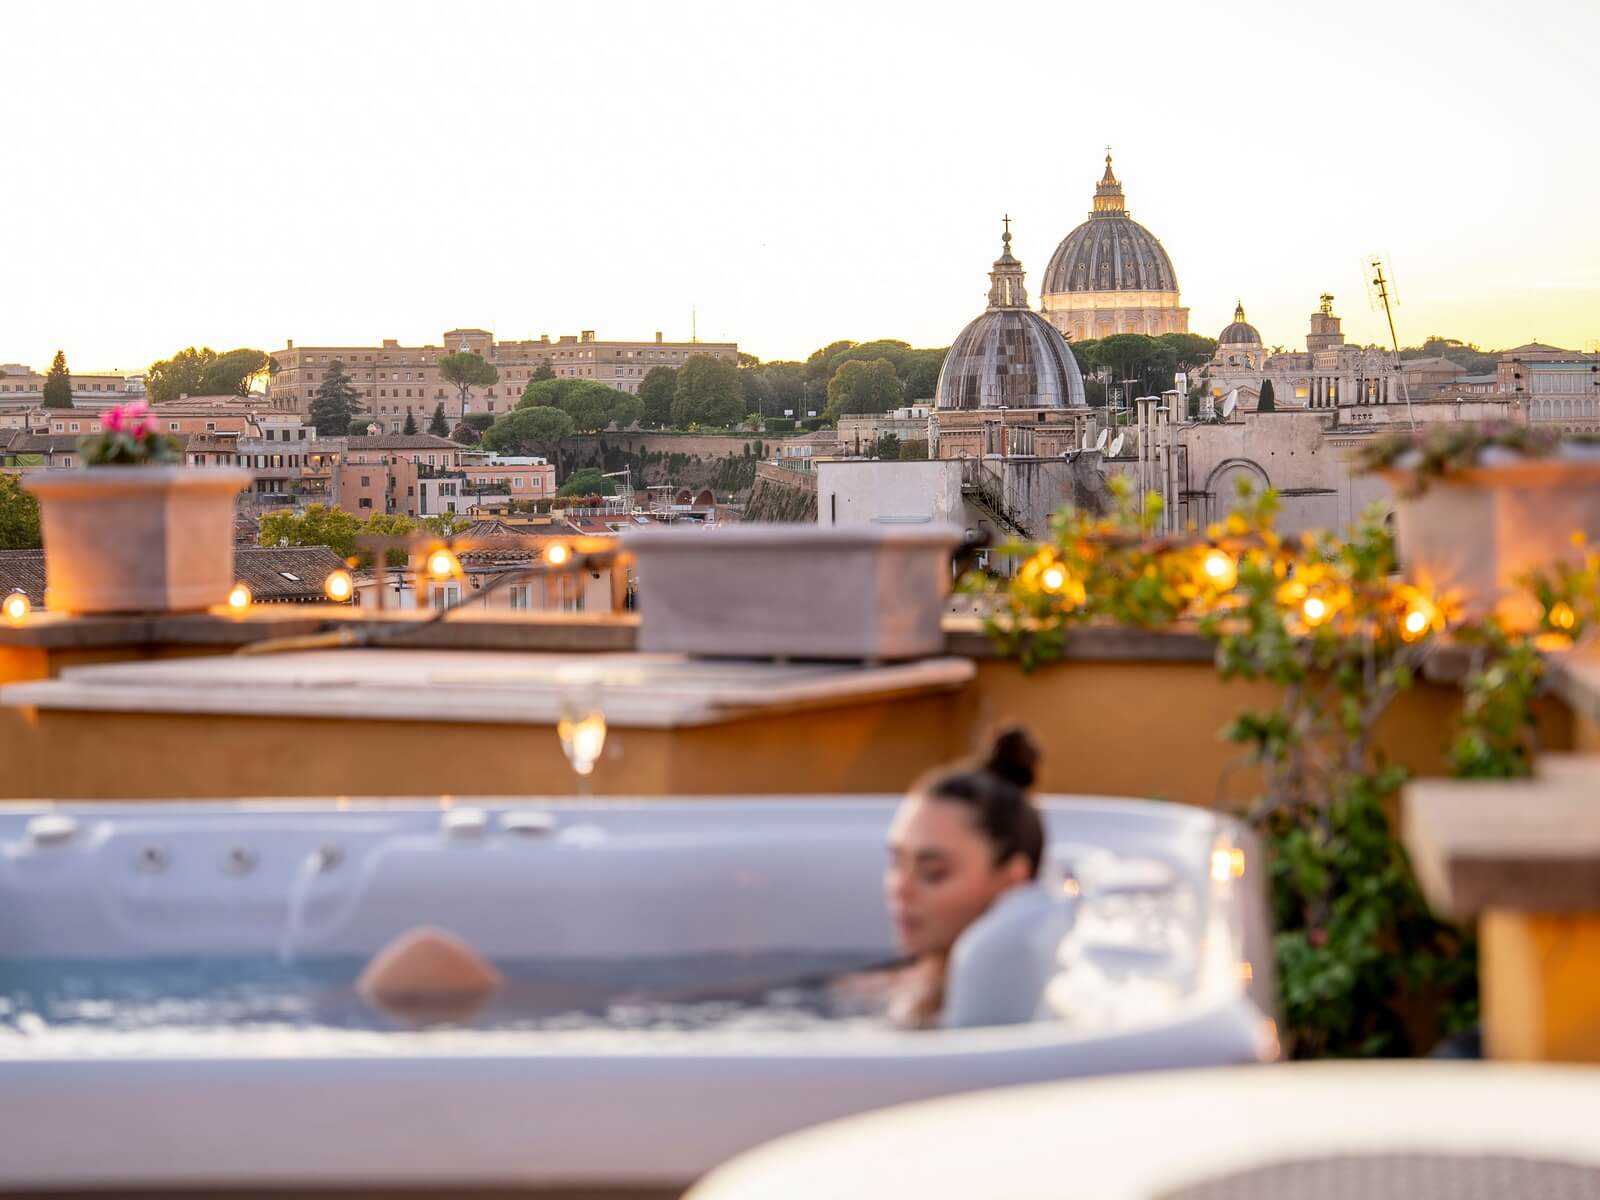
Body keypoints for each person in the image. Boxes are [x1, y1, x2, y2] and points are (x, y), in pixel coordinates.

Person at [852, 724, 1046, 1028]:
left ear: (1012, 881)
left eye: (933, 873)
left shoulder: (1032, 1013)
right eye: (897, 862)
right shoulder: (862, 992)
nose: (900, 888)